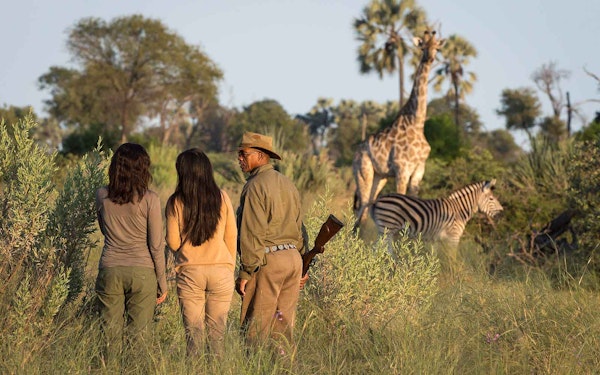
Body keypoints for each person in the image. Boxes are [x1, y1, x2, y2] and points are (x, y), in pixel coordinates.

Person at [235, 131, 309, 353]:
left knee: (255, 328)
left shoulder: (254, 186)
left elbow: (251, 234)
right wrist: (303, 266)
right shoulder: (288, 183)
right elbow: (300, 228)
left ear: (260, 155)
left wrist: (246, 272)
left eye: (243, 153)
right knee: (283, 327)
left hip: (269, 262)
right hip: (293, 261)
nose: (239, 158)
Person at [95, 143, 168, 359]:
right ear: (142, 168)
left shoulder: (101, 195)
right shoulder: (150, 199)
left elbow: (104, 229)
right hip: (142, 272)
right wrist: (162, 282)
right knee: (139, 338)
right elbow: (156, 245)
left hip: (110, 268)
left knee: (109, 335)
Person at [165, 149, 237, 357]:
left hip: (190, 272)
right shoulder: (222, 197)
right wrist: (229, 266)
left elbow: (173, 241)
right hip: (221, 271)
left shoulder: (175, 201)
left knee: (193, 337)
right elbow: (231, 236)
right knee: (217, 337)